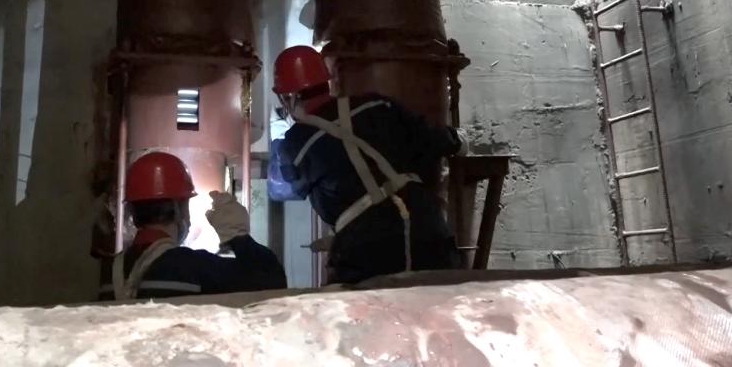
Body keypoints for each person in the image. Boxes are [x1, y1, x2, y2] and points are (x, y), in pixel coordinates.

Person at [270, 45, 467, 284]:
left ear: (289, 97)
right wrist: (459, 141)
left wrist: (279, 134)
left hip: (367, 246)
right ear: (327, 81)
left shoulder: (297, 141)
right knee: (436, 302)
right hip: (427, 228)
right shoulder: (377, 105)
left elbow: (282, 188)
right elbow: (432, 139)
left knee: (364, 306)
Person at [99, 152, 287, 300]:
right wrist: (239, 237)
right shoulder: (190, 267)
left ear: (132, 212)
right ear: (177, 209)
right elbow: (273, 283)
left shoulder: (109, 272)